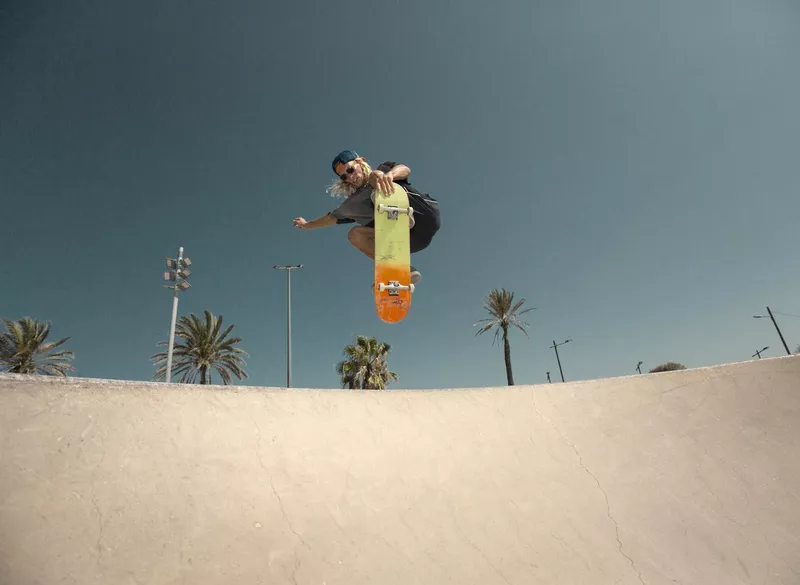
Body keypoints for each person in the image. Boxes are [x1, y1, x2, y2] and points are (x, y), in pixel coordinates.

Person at [292, 150, 440, 285]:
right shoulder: (353, 204)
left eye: (350, 170)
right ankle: (400, 270)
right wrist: (307, 225)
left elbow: (405, 169)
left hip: (422, 215)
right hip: (413, 241)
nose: (350, 177)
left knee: (376, 176)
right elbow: (331, 218)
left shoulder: (383, 169)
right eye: (344, 176)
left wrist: (391, 175)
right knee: (355, 235)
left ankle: (399, 216)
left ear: (360, 161)